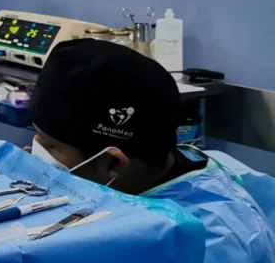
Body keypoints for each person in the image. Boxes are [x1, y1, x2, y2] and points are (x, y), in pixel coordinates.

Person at [30, 39, 275, 263]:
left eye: (52, 146)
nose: (36, 148)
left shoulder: (211, 244)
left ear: (113, 163)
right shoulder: (145, 177)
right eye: (36, 133)